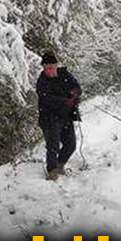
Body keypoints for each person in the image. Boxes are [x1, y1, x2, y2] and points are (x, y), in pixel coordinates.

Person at [36, 52, 82, 180]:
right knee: (53, 146)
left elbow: (77, 87)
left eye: (50, 67)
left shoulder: (65, 75)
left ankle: (60, 164)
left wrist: (75, 94)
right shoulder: (42, 82)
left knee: (71, 144)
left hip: (66, 116)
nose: (48, 71)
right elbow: (47, 99)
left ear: (56, 65)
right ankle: (52, 171)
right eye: (45, 68)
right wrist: (66, 101)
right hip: (49, 118)